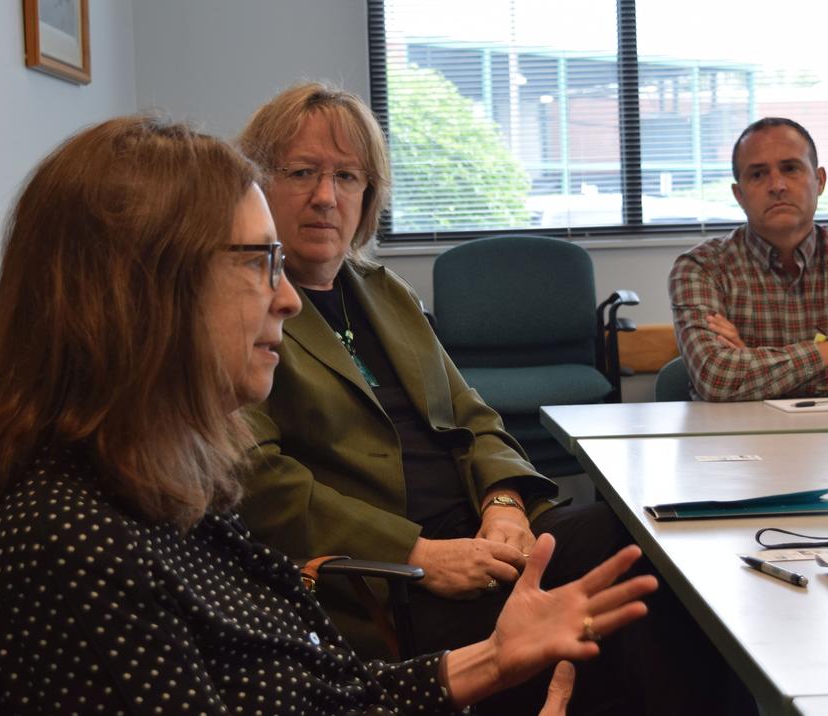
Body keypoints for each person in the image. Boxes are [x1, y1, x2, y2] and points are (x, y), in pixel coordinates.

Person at [0, 115, 658, 715]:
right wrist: (432, 571)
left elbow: (323, 694)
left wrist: (492, 659)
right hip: (399, 577)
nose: (284, 299)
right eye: (258, 263)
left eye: (347, 177)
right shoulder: (70, 547)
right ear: (138, 292)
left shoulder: (166, 493)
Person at [236, 82, 748, 715]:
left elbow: (473, 417)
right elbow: (259, 481)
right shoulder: (244, 308)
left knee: (657, 553)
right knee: (633, 614)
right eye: (302, 172)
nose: (325, 195)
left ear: (368, 193)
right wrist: (418, 554)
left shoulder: (385, 292)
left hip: (488, 539)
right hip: (393, 582)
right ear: (259, 183)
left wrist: (504, 504)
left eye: (346, 176)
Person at [668, 117, 828, 402]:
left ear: (819, 181)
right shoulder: (701, 268)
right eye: (758, 175)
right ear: (739, 195)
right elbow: (717, 378)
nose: (777, 185)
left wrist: (752, 367)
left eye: (790, 168)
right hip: (742, 429)